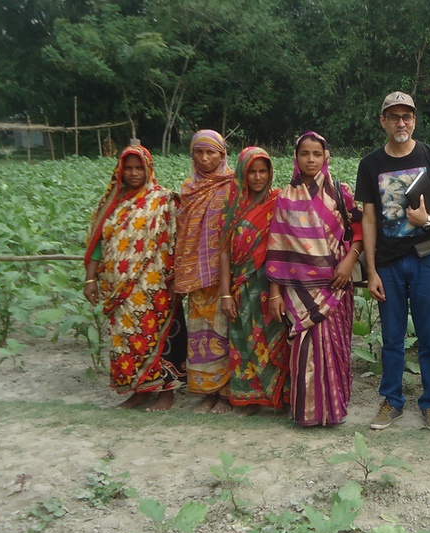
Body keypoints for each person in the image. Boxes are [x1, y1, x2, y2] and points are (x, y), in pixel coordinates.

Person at [355, 91, 430, 432]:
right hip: (387, 263)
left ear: (414, 120)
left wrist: (428, 220)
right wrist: (370, 271)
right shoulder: (371, 164)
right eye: (394, 117)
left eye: (407, 116)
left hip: (426, 258)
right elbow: (368, 220)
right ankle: (392, 402)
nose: (401, 123)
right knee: (392, 338)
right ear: (383, 121)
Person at [265, 132, 363, 426]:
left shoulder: (340, 193)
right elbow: (278, 247)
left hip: (336, 284)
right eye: (305, 153)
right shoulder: (285, 197)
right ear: (296, 157)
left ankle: (335, 410)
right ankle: (307, 413)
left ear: (326, 157)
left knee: (334, 350)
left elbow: (358, 231)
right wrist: (274, 293)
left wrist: (349, 260)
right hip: (298, 290)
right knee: (305, 350)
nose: (311, 159)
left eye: (316, 154)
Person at [83, 144, 182, 411]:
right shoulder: (111, 204)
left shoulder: (162, 201)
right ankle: (138, 391)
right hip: (119, 286)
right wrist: (90, 278)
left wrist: (175, 279)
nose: (134, 173)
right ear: (120, 170)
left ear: (149, 169)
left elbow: (175, 241)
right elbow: (98, 244)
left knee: (158, 336)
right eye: (129, 167)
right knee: (124, 337)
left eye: (140, 167)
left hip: (155, 284)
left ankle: (166, 392)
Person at [218, 147, 287, 413]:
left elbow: (282, 245)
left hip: (271, 284)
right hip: (241, 286)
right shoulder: (232, 206)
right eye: (252, 172)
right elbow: (224, 251)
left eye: (263, 171)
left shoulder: (278, 200)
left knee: (272, 341)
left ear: (270, 173)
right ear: (242, 175)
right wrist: (225, 293)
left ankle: (277, 396)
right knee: (243, 341)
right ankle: (250, 398)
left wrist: (275, 290)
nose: (258, 177)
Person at [174, 130, 235, 414]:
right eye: (199, 152)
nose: (205, 158)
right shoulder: (189, 188)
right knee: (201, 333)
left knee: (226, 332)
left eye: (211, 152)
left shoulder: (233, 184)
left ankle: (226, 392)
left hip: (225, 277)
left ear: (222, 155)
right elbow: (183, 231)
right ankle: (207, 391)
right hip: (197, 279)